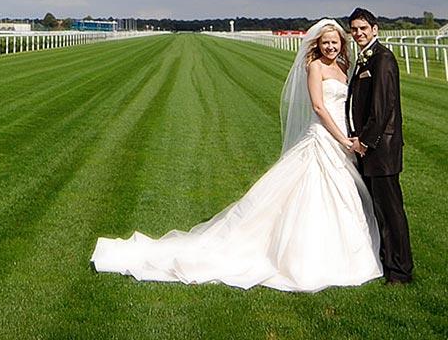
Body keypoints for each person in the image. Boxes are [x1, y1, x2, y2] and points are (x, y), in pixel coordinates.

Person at [92, 18, 382, 292]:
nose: (330, 47)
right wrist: (343, 139)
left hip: (344, 139)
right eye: (325, 43)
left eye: (334, 42)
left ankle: (337, 250)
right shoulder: (315, 68)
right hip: (325, 136)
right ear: (317, 44)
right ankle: (303, 257)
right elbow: (319, 108)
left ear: (341, 44)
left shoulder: (345, 67)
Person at [345, 7, 412, 284]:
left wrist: (365, 142)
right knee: (379, 211)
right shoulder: (364, 59)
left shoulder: (382, 59)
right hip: (370, 149)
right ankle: (387, 262)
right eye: (354, 29)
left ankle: (400, 271)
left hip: (380, 150)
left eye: (363, 28)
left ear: (375, 29)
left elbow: (383, 107)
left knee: (391, 211)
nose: (359, 33)